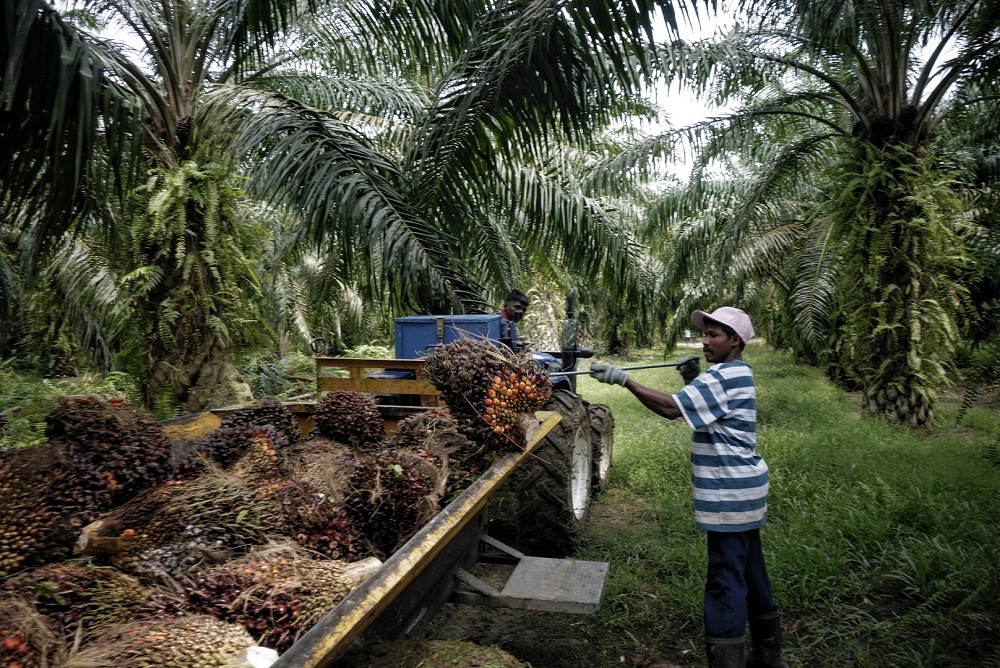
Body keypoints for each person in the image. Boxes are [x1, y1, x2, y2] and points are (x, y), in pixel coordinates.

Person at [590, 307, 786, 668]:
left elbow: (670, 410)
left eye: (714, 335)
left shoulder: (723, 377)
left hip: (729, 494)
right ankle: (768, 659)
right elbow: (708, 411)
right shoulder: (737, 372)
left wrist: (624, 380)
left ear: (735, 341)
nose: (705, 341)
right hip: (745, 492)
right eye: (705, 333)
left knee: (725, 580)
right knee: (751, 571)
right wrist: (693, 379)